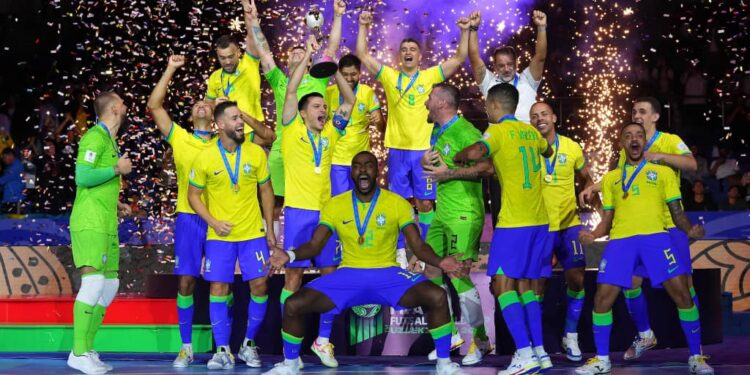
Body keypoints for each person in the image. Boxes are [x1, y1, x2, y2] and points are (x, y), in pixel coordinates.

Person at [262, 151, 469, 375]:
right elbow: (314, 245)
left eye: (368, 165)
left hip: (388, 275)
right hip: (348, 275)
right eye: (357, 166)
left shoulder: (396, 203)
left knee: (437, 296)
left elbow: (418, 245)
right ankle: (290, 365)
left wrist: (441, 261)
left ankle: (444, 364)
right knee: (293, 304)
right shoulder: (335, 205)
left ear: (377, 171)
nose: (363, 170)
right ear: (352, 172)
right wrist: (289, 256)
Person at [147, 54, 273, 367]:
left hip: (230, 220)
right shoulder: (181, 138)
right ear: (192, 116)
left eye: (208, 102)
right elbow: (154, 106)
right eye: (197, 104)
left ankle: (228, 346)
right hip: (192, 217)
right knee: (188, 282)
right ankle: (188, 346)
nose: (203, 104)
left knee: (224, 284)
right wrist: (172, 68)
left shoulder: (233, 141)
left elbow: (264, 137)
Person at [575, 122, 713, 375]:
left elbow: (677, 213)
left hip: (656, 240)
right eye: (628, 136)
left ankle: (696, 357)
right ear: (621, 143)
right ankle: (602, 359)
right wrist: (592, 235)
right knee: (601, 300)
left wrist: (689, 229)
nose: (634, 139)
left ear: (644, 142)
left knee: (683, 295)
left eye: (639, 135)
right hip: (620, 242)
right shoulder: (612, 179)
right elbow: (607, 220)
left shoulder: (663, 174)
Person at [452, 83, 553, 375]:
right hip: (539, 221)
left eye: (486, 105)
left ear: (494, 106)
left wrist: (460, 155)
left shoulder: (495, 131)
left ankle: (523, 352)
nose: (486, 109)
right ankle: (540, 351)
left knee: (501, 284)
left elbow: (476, 152)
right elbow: (546, 152)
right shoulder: (531, 132)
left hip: (515, 221)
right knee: (527, 288)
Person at [356, 10, 470, 266]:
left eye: (412, 49)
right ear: (400, 56)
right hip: (397, 150)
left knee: (425, 203)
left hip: (424, 152)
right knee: (398, 203)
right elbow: (362, 54)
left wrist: (464, 31)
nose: (408, 52)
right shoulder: (390, 76)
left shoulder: (430, 76)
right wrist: (363, 25)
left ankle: (427, 252)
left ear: (420, 56)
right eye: (404, 49)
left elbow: (460, 57)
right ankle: (398, 253)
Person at [278, 36, 356, 368]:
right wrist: (308, 56)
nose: (323, 110)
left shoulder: (332, 134)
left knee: (329, 276)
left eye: (324, 106)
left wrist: (336, 68)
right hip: (297, 213)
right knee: (293, 280)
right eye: (317, 106)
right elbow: (292, 92)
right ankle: (289, 353)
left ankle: (323, 340)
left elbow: (349, 100)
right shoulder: (290, 129)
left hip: (326, 215)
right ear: (303, 112)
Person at [187, 101, 276, 370]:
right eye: (235, 118)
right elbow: (193, 196)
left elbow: (267, 191)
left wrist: (270, 228)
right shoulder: (204, 157)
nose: (241, 122)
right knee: (218, 288)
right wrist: (213, 221)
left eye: (241, 117)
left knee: (260, 285)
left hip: (252, 233)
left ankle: (248, 345)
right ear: (220, 125)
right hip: (219, 235)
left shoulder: (256, 152)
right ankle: (223, 350)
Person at [243, 0, 345, 234]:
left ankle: (315, 245)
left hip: (313, 148)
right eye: (292, 53)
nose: (297, 53)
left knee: (314, 199)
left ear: (310, 61)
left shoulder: (318, 79)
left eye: (302, 51)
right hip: (283, 147)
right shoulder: (280, 80)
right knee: (276, 201)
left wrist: (338, 15)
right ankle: (273, 242)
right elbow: (264, 52)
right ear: (287, 63)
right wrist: (254, 21)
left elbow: (331, 49)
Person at [419, 83, 493, 365]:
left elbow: (488, 168)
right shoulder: (437, 130)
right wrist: (426, 159)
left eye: (429, 98)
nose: (425, 102)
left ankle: (482, 341)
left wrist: (449, 173)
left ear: (441, 103)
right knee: (431, 268)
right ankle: (449, 334)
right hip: (442, 213)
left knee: (458, 273)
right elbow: (439, 163)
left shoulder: (466, 132)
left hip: (464, 213)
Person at [67, 91, 133, 375]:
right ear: (116, 108)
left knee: (109, 286)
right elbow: (83, 177)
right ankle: (78, 352)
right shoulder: (94, 136)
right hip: (90, 222)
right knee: (93, 284)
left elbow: (97, 180)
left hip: (106, 223)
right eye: (124, 103)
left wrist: (117, 203)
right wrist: (116, 168)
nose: (127, 106)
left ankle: (88, 349)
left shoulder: (109, 139)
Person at [529, 101, 594, 362]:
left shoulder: (571, 147)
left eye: (544, 114)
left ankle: (570, 334)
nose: (539, 118)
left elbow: (586, 176)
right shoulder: (527, 147)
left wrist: (588, 189)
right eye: (534, 116)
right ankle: (537, 343)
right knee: (537, 283)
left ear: (554, 117)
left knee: (577, 277)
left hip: (569, 224)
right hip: (539, 225)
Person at [468, 10, 547, 123]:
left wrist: (541, 27)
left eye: (510, 64)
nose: (506, 69)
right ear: (494, 67)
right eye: (501, 66)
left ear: (516, 64)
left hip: (526, 138)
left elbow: (540, 57)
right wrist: (474, 28)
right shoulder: (489, 83)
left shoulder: (528, 79)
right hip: (500, 139)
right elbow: (474, 58)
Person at [326, 54, 384, 195]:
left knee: (361, 200)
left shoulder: (367, 92)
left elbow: (382, 128)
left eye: (353, 74)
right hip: (336, 160)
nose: (349, 79)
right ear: (338, 74)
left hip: (360, 162)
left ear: (360, 73)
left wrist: (379, 121)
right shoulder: (328, 93)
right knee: (339, 201)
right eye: (345, 74)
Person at [0, 148, 24, 214]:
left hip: (15, 200)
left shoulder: (16, 166)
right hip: (9, 198)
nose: (3, 160)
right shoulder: (9, 167)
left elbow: (4, 179)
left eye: (4, 157)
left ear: (11, 155)